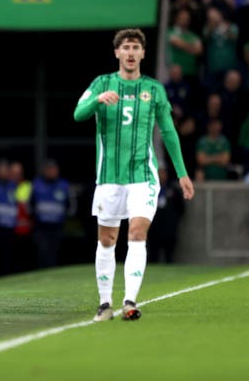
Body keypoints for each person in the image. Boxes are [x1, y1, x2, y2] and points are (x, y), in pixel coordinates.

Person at [73, 28, 194, 322]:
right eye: (125, 47)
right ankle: (104, 303)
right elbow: (78, 114)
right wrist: (97, 100)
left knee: (137, 233)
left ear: (142, 53)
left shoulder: (154, 90)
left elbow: (167, 131)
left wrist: (182, 173)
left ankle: (129, 301)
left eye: (135, 48)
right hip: (109, 178)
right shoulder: (102, 83)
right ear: (117, 53)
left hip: (143, 177)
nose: (129, 52)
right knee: (107, 240)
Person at [30, 159, 70, 269]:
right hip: (41, 226)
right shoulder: (36, 184)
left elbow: (69, 206)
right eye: (50, 169)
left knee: (55, 251)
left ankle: (54, 273)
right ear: (45, 171)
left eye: (54, 169)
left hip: (57, 226)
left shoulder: (63, 185)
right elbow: (31, 204)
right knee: (42, 251)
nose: (52, 172)